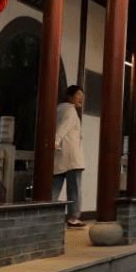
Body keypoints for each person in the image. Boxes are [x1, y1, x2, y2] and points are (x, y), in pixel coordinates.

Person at [53, 85, 86, 227]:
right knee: (75, 190)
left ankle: (49, 214)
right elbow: (62, 129)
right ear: (70, 96)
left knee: (54, 187)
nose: (81, 98)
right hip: (72, 157)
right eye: (78, 95)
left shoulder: (59, 109)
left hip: (60, 156)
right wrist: (56, 139)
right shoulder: (70, 111)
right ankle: (73, 217)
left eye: (82, 95)